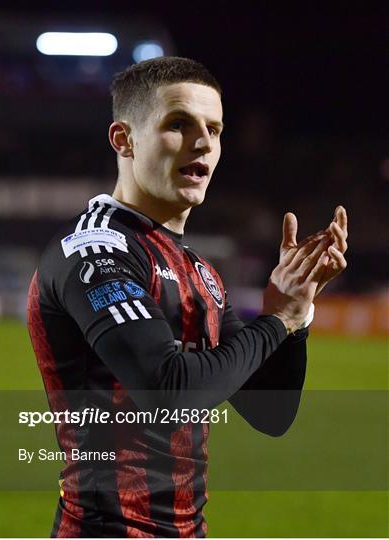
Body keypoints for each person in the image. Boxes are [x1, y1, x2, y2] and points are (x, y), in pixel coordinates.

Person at [27, 56, 348, 538]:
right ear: (124, 139)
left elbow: (270, 411)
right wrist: (274, 322)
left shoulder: (200, 271)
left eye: (214, 129)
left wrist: (294, 312)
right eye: (179, 124)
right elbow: (169, 390)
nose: (203, 142)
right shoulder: (94, 250)